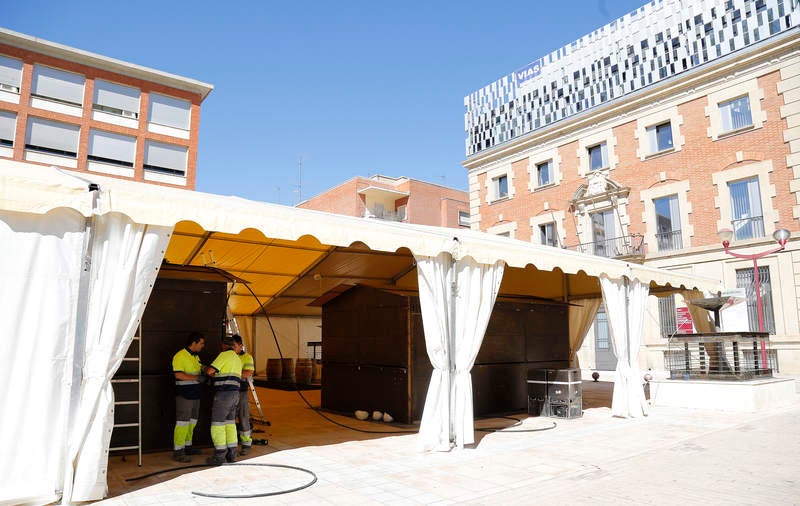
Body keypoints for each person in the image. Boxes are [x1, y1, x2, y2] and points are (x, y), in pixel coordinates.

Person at [204, 335, 243, 465]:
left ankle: (219, 456)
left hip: (223, 396)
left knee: (217, 424)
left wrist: (204, 368)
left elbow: (210, 371)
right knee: (230, 423)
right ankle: (232, 454)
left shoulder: (224, 355)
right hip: (235, 395)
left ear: (225, 345)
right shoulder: (237, 359)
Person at [171, 332, 205, 463]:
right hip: (185, 395)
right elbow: (178, 375)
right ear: (194, 343)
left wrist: (206, 368)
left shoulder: (195, 356)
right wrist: (197, 377)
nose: (203, 346)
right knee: (182, 423)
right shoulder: (180, 356)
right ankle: (178, 452)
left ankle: (188, 446)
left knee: (192, 422)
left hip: (195, 394)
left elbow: (199, 367)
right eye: (201, 343)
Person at [232, 335, 255, 455]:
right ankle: (231, 445)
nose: (232, 348)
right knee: (229, 419)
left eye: (234, 346)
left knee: (243, 417)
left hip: (241, 392)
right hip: (229, 393)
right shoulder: (227, 356)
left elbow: (247, 373)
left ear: (241, 346)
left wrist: (230, 373)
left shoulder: (247, 357)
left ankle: (246, 444)